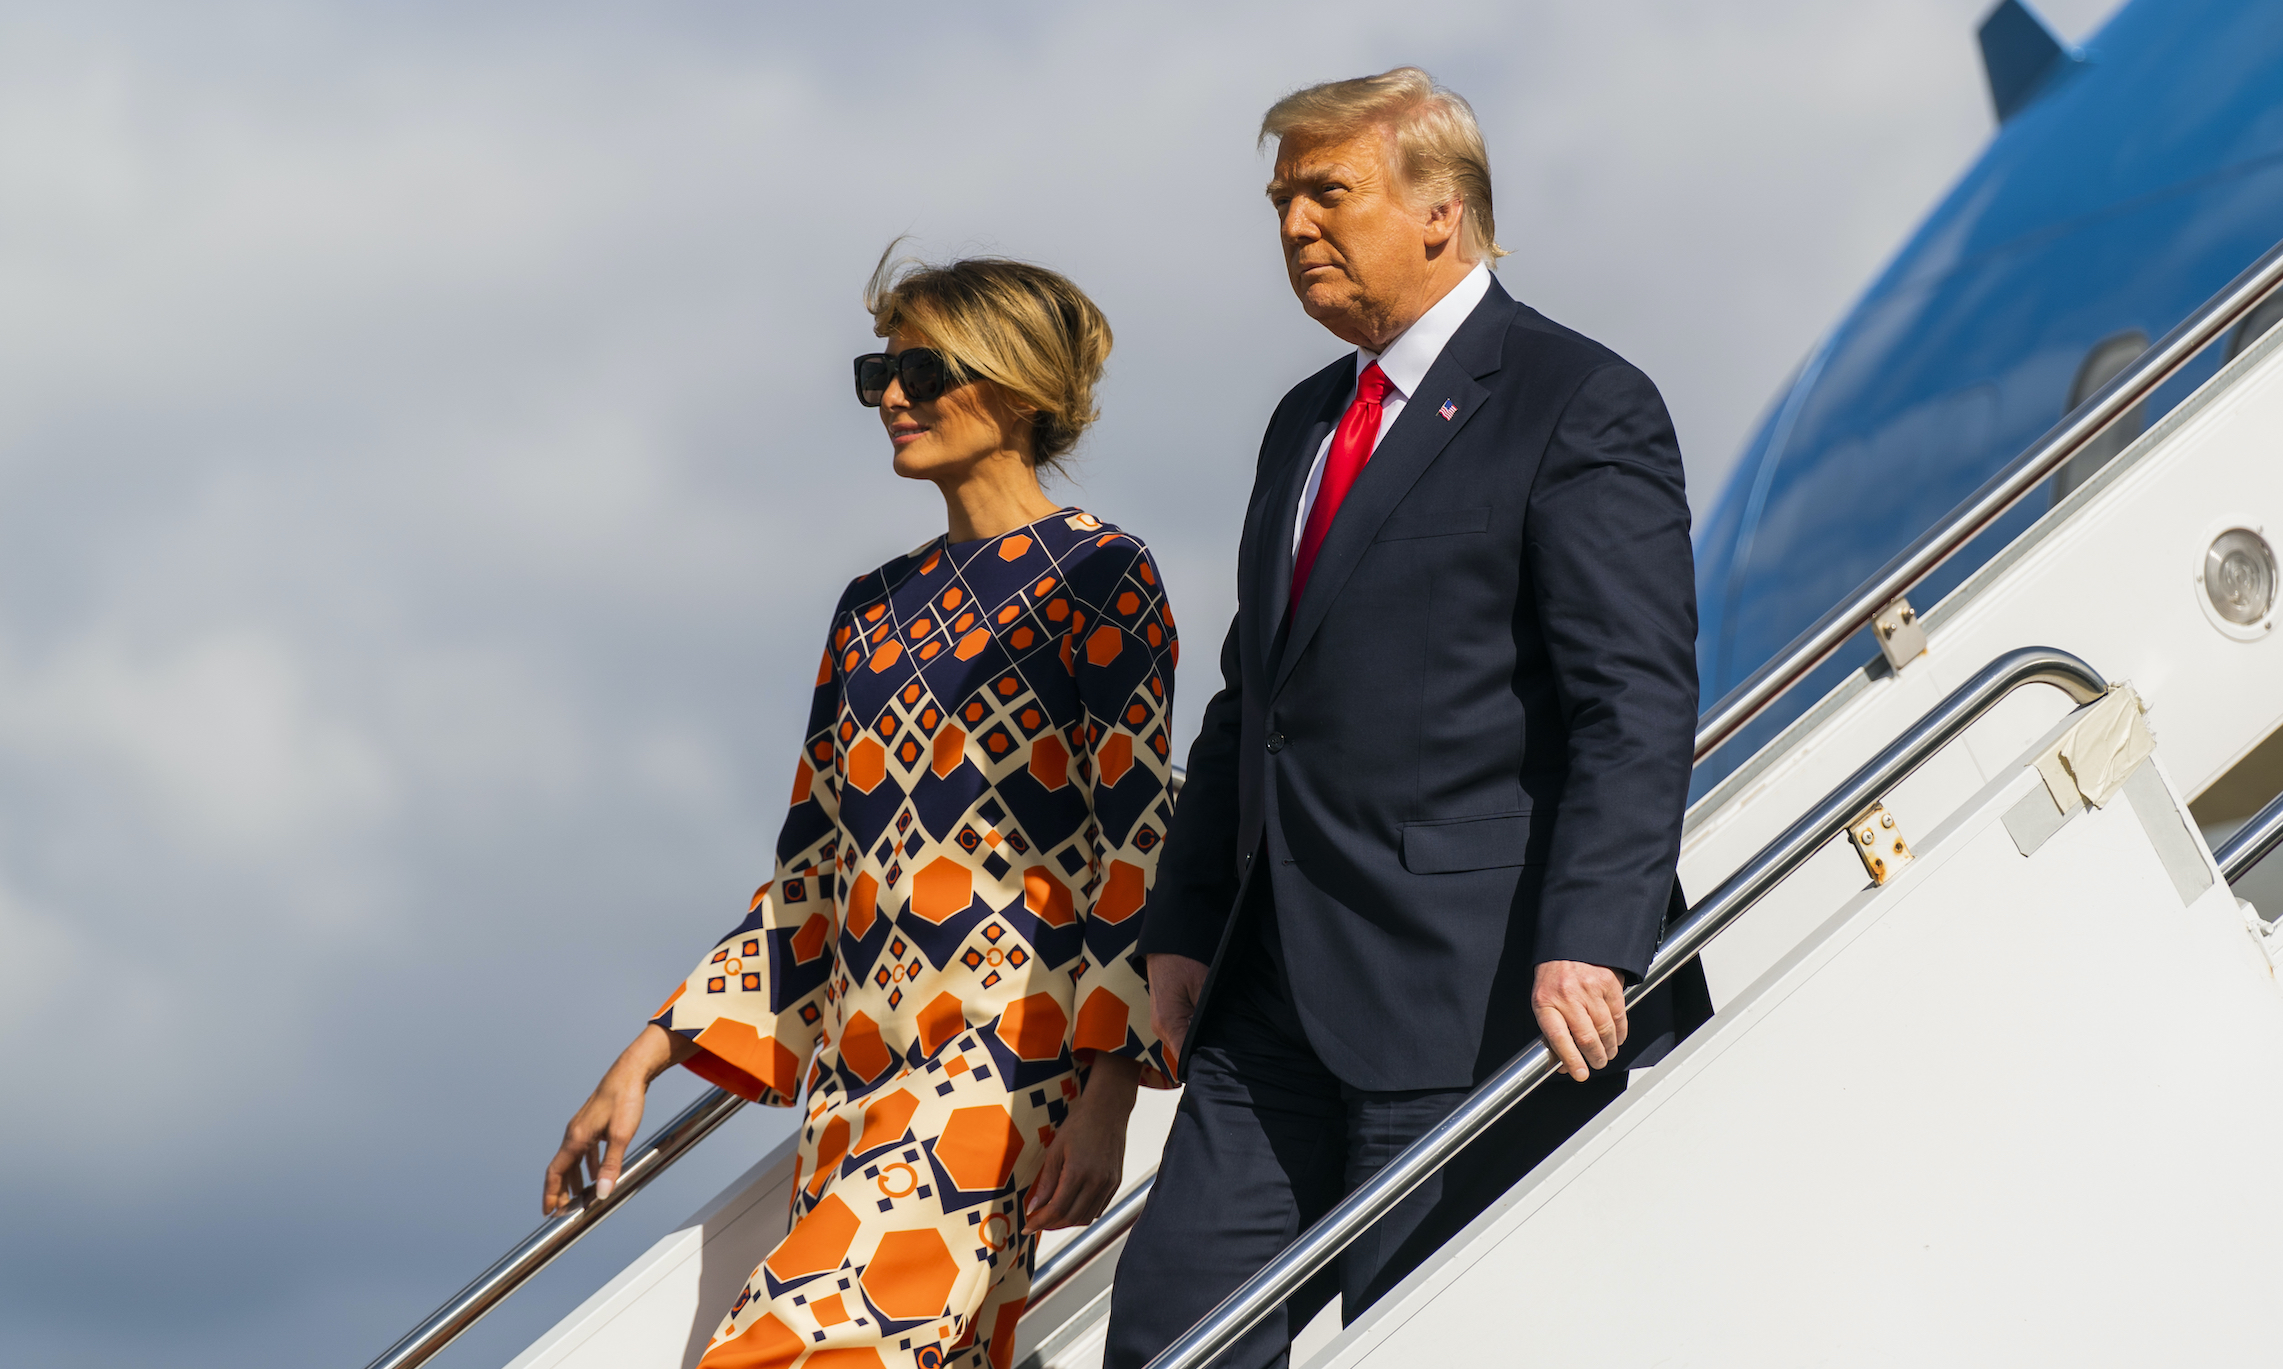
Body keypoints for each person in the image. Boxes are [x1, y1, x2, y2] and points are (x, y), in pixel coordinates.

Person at [1105, 69, 1709, 1368]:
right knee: (1166, 1339)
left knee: (1423, 1338)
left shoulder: (1576, 402)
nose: (1293, 228)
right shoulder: (1303, 427)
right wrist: (1181, 924)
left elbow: (1634, 698)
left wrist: (1594, 937)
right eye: (1280, 201)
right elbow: (1249, 704)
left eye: (1327, 193)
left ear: (1441, 210)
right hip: (1267, 999)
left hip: (1471, 998)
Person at [545, 251, 1178, 1369]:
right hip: (856, 1077)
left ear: (1019, 387)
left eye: (924, 370)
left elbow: (1133, 839)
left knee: (792, 1347)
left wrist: (1111, 1090)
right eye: (879, 372)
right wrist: (646, 1054)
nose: (893, 396)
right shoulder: (869, 609)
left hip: (1008, 1058)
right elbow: (813, 869)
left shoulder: (1102, 574)